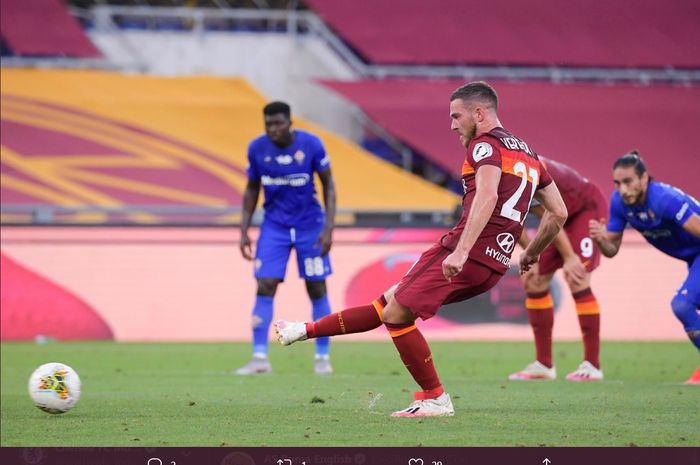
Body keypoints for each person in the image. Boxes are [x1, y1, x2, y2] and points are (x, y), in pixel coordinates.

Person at [275, 81, 568, 416]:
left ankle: (434, 397)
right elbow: (558, 212)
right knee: (389, 303)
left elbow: (487, 197)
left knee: (397, 314)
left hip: (464, 251)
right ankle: (304, 330)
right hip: (496, 263)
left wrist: (461, 251)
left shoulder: (485, 147)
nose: (453, 124)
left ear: (479, 113)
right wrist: (531, 253)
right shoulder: (529, 155)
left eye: (457, 116)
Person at [236, 101, 336, 375]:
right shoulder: (257, 148)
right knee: (265, 284)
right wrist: (244, 230)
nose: (273, 129)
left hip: (310, 226)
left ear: (290, 122)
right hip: (274, 227)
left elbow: (329, 185)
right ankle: (259, 359)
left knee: (316, 288)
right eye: (268, 124)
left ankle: (322, 358)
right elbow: (251, 189)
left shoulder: (311, 145)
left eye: (278, 123)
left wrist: (328, 228)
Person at [589, 151, 700, 385]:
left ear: (644, 178)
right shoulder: (619, 203)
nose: (623, 189)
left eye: (628, 181)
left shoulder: (664, 200)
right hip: (693, 259)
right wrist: (601, 239)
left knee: (683, 305)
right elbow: (611, 250)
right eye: (618, 183)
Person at [509, 157, 607, 382]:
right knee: (533, 281)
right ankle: (544, 365)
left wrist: (571, 257)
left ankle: (593, 365)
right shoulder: (499, 177)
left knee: (577, 277)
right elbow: (512, 222)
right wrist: (532, 254)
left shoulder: (528, 168)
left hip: (584, 209)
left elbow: (550, 215)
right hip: (558, 218)